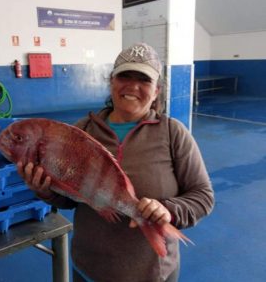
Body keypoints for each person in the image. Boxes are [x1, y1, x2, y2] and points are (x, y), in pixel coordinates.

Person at [17, 43, 214, 282]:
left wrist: (168, 210)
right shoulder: (82, 132)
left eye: (144, 80)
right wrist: (45, 191)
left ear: (157, 90)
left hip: (152, 273)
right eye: (124, 76)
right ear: (111, 81)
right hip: (89, 268)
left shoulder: (174, 133)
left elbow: (203, 196)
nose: (132, 86)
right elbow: (71, 199)